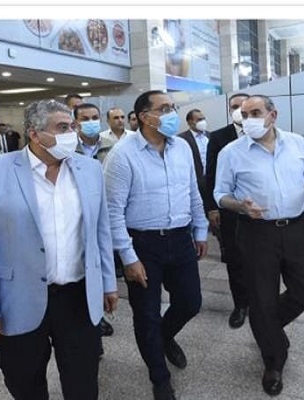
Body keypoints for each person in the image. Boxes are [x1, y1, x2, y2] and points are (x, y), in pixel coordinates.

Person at [0, 100, 118, 399]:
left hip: (78, 296)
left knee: (83, 381)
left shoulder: (90, 169)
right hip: (18, 298)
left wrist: (107, 283)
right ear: (34, 134)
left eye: (72, 126)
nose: (72, 134)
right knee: (24, 381)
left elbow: (101, 231)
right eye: (62, 128)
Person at [214, 95, 304, 396]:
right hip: (255, 232)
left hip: (296, 229)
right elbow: (220, 194)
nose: (247, 118)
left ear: (272, 115)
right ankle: (273, 360)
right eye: (243, 113)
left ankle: (268, 328)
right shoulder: (231, 152)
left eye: (255, 112)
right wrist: (240, 205)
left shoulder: (296, 143)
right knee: (262, 298)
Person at [104, 90, 208, 400]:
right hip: (143, 243)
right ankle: (159, 378)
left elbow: (193, 191)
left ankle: (163, 337)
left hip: (180, 237)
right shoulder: (122, 155)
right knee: (147, 313)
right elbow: (113, 211)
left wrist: (201, 230)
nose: (171, 113)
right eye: (163, 109)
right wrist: (128, 257)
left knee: (190, 302)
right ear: (144, 117)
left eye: (172, 107)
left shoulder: (182, 148)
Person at [205, 93, 251, 329]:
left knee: (264, 260)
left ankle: (263, 302)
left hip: (262, 212)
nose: (240, 110)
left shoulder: (267, 133)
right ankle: (240, 304)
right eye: (235, 106)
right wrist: (212, 208)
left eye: (244, 105)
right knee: (235, 259)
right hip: (231, 209)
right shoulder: (218, 137)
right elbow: (211, 175)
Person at [73, 102, 116, 338]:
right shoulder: (69, 149)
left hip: (109, 212)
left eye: (94, 117)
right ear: (76, 123)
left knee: (104, 264)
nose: (91, 122)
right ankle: (93, 320)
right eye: (85, 118)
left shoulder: (114, 146)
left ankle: (99, 311)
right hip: (83, 216)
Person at [178, 109, 208, 200]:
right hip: (194, 183)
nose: (203, 122)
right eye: (199, 120)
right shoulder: (181, 139)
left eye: (203, 119)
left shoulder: (210, 136)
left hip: (210, 181)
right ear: (190, 122)